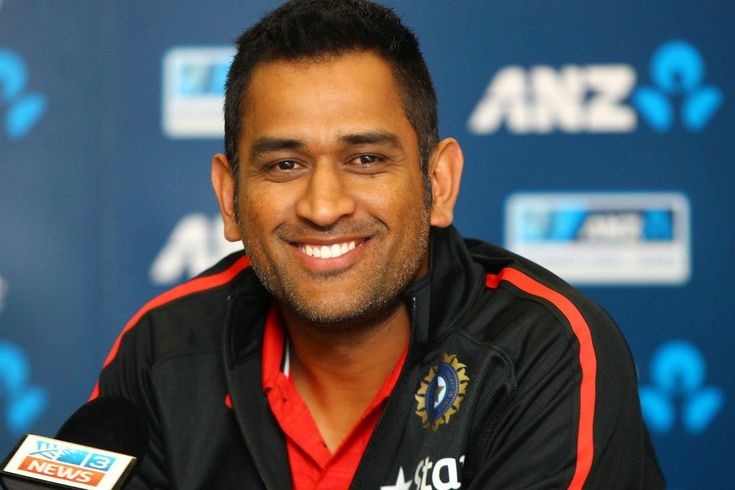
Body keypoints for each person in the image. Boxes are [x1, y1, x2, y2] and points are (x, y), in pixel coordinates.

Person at [92, 0, 664, 488]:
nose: (323, 206)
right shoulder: (163, 350)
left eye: (366, 160)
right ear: (229, 197)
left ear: (437, 184)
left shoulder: (541, 351)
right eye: (284, 164)